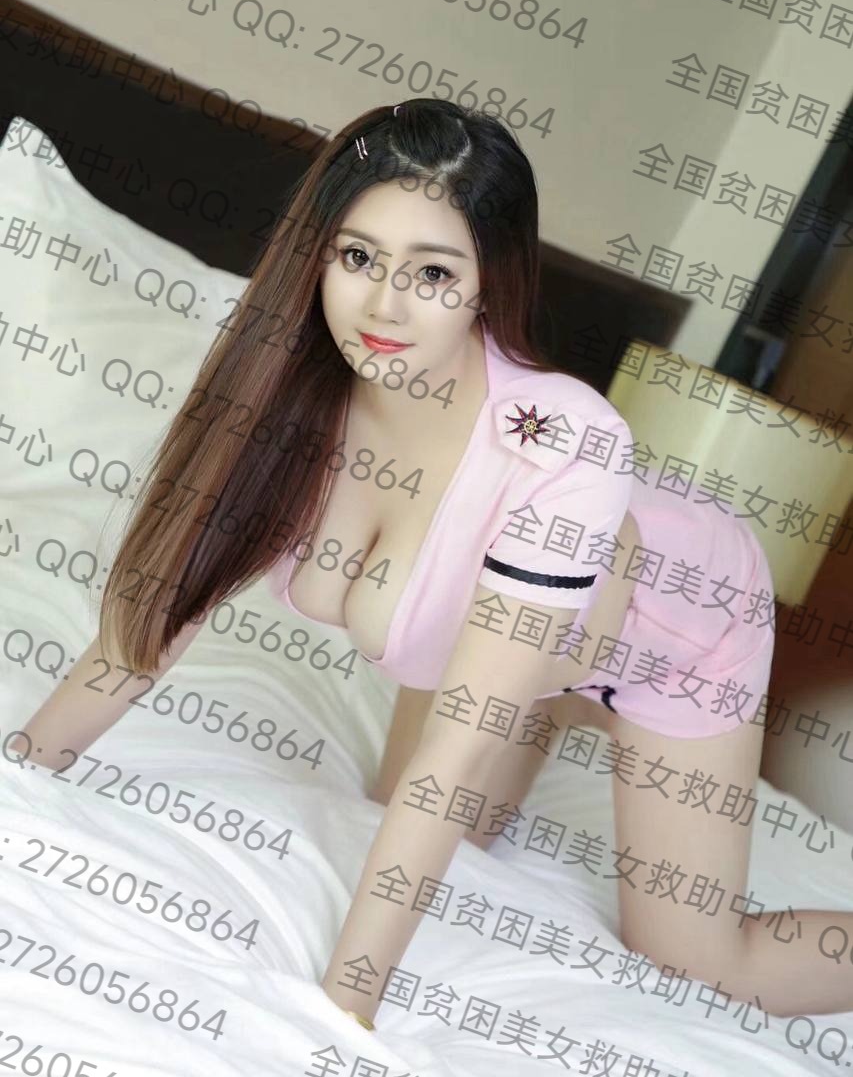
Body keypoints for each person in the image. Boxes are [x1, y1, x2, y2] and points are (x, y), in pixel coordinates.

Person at [13, 99, 853, 1030]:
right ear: (315, 254)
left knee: (699, 964)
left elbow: (449, 765)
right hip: (512, 627)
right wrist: (23, 770)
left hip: (674, 624)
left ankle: (561, 691)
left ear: (489, 283)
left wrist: (342, 1015)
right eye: (358, 257)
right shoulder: (285, 393)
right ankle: (546, 693)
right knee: (397, 807)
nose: (383, 305)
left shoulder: (560, 447)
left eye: (433, 273)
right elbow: (155, 621)